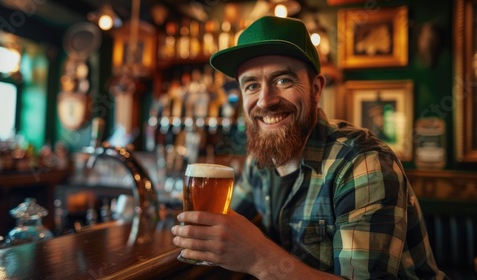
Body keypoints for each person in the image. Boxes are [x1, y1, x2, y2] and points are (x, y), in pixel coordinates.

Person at [171, 16, 447, 279]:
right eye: (252, 85)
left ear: (316, 89)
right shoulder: (262, 158)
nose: (265, 100)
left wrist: (257, 258)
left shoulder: (362, 162)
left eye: (283, 80)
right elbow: (227, 220)